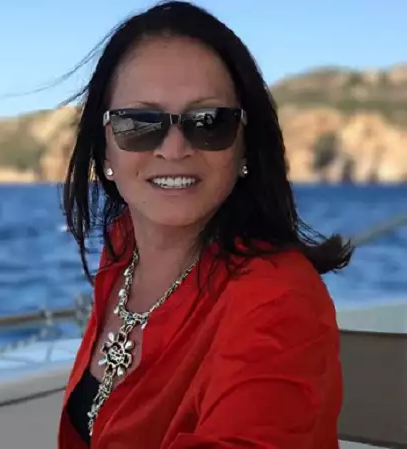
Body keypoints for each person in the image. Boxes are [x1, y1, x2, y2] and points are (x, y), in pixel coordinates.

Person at [58, 1, 353, 448]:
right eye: (139, 123)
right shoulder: (124, 251)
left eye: (209, 122)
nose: (174, 149)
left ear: (245, 146)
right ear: (104, 149)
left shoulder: (277, 300)